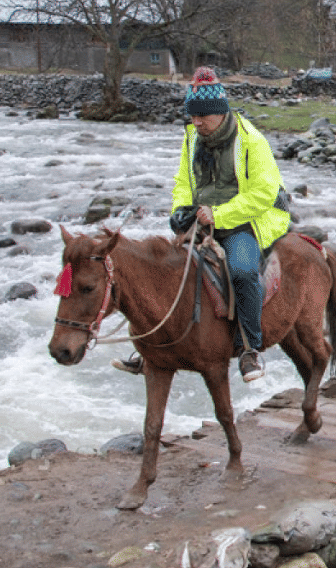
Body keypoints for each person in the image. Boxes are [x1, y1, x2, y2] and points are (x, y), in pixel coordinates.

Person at [112, 67, 291, 382]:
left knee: (242, 271)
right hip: (202, 219)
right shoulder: (192, 137)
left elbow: (264, 192)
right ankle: (152, 347)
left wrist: (219, 215)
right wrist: (180, 210)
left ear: (220, 113)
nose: (196, 122)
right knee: (161, 267)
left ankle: (250, 348)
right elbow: (184, 182)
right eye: (192, 116)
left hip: (246, 221)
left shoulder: (252, 140)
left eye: (202, 116)